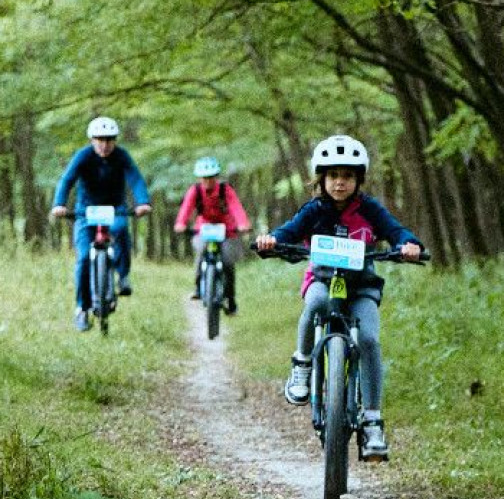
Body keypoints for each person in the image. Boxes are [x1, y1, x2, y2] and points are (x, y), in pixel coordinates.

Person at [254, 135, 424, 461]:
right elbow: (288, 232)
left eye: (347, 176)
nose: (340, 183)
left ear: (359, 179)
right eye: (333, 176)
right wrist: (271, 241)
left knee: (371, 339)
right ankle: (302, 363)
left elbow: (395, 230)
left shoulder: (370, 209)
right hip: (322, 279)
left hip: (361, 286)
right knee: (315, 304)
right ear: (322, 178)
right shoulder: (314, 210)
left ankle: (372, 419)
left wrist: (409, 244)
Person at [49, 116, 153, 331]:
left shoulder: (122, 156)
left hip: (115, 208)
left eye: (109, 140)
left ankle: (123, 276)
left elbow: (135, 178)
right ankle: (82, 309)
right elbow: (67, 179)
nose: (104, 145)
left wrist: (142, 201)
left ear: (115, 141)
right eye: (100, 140)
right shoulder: (83, 156)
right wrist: (59, 204)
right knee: (85, 257)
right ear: (92, 140)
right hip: (86, 212)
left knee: (121, 229)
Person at [175, 156, 252, 311]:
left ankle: (230, 298)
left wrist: (242, 224)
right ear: (200, 178)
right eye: (204, 178)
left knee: (228, 261)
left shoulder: (225, 190)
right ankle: (198, 288)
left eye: (211, 178)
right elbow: (186, 208)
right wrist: (180, 223)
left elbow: (235, 207)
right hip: (203, 228)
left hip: (227, 229)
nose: (208, 181)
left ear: (216, 177)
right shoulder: (195, 191)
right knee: (201, 251)